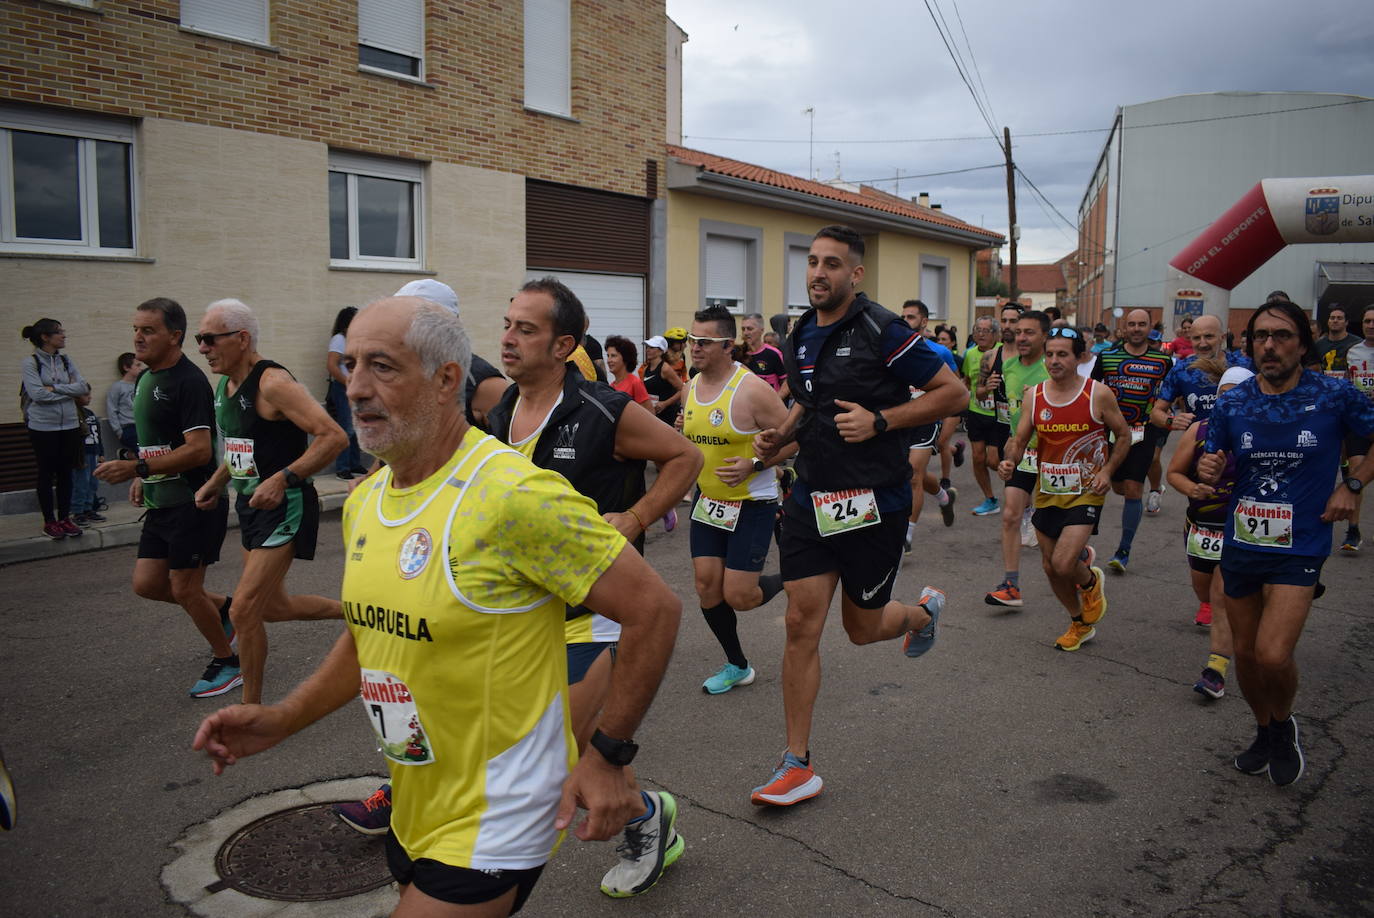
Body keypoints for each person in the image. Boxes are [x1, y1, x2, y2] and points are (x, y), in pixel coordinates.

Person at [194, 295, 682, 916]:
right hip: (416, 797)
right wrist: (285, 716)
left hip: (499, 810)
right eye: (350, 367)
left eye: (384, 367)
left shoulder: (512, 495)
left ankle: (645, 815)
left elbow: (654, 609)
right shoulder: (369, 498)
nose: (358, 389)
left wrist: (610, 756)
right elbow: (373, 636)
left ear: (447, 378)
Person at [488, 278, 700, 897]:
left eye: (525, 329)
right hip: (526, 614)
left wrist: (635, 517)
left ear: (563, 346)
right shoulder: (503, 409)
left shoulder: (602, 409)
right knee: (524, 750)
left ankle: (636, 824)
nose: (508, 338)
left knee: (555, 761)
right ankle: (646, 813)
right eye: (507, 324)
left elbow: (685, 458)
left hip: (597, 614)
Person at [749, 225, 963, 806]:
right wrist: (781, 439)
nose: (818, 273)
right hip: (812, 498)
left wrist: (883, 421)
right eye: (813, 262)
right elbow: (808, 401)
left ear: (855, 274)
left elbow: (953, 393)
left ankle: (922, 615)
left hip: (874, 502)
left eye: (832, 264)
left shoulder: (882, 329)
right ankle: (797, 763)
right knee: (801, 623)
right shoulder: (799, 333)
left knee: (862, 629)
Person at [1199, 299, 1374, 786]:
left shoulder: (1334, 395)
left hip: (1301, 543)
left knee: (1274, 654)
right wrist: (1209, 467)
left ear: (1303, 341)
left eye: (1281, 336)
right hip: (1243, 539)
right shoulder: (1234, 401)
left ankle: (1283, 721)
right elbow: (1214, 458)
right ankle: (1266, 730)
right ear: (1249, 343)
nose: (1269, 346)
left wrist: (1352, 485)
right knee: (1249, 656)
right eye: (1260, 337)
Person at [192, 298, 348, 705]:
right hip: (252, 507)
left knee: (243, 610)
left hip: (287, 504)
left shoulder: (273, 383)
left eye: (209, 339)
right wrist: (215, 482)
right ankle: (358, 615)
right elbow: (242, 449)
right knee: (273, 608)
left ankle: (251, 708)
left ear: (241, 339)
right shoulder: (225, 387)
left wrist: (284, 478)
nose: (203, 348)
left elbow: (333, 436)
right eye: (199, 339)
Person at [94, 298, 237, 697]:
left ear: (174, 336)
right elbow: (156, 443)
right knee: (147, 584)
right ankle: (225, 609)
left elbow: (199, 450)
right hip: (162, 500)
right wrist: (145, 474)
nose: (138, 337)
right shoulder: (145, 379)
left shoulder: (188, 381)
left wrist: (137, 470)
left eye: (149, 330)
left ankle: (227, 662)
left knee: (185, 588)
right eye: (135, 329)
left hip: (196, 500)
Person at [681, 305, 792, 694]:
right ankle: (737, 665)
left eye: (705, 341)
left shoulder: (752, 390)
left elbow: (796, 438)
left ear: (729, 345)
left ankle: (793, 578)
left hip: (751, 502)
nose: (695, 347)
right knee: (707, 587)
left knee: (740, 596)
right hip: (708, 503)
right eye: (693, 339)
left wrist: (756, 462)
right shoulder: (690, 386)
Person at [1001, 326, 1129, 650]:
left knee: (1061, 563)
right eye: (1050, 354)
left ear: (1078, 357)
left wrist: (1108, 470)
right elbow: (1019, 440)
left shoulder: (1097, 394)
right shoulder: (1036, 395)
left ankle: (1089, 580)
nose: (1054, 361)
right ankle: (1080, 622)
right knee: (1049, 566)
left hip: (1087, 488)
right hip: (1048, 489)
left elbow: (1124, 436)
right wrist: (1010, 461)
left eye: (1062, 354)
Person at [1167, 363, 1249, 699]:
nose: (1231, 404)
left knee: (1221, 596)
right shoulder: (1200, 430)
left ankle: (1216, 669)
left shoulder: (1263, 432)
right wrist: (1193, 488)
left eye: (1240, 397)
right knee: (1205, 592)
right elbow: (1174, 473)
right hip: (1202, 526)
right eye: (1225, 397)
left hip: (1241, 528)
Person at [1092, 308, 1173, 571]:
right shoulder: (1107, 356)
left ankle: (1123, 551)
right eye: (1132, 324)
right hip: (1110, 431)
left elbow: (1170, 397)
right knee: (1116, 487)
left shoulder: (1163, 361)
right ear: (1123, 327)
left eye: (1142, 324)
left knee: (1133, 488)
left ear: (1150, 327)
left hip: (1143, 432)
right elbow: (1090, 390)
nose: (1137, 328)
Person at [979, 309, 1050, 608]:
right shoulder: (1007, 367)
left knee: (1051, 530)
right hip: (1022, 451)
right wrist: (1010, 450)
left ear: (1045, 336)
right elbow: (1010, 415)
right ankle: (1011, 585)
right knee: (1010, 515)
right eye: (1019, 331)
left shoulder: (1054, 368)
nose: (1021, 337)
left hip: (1052, 456)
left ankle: (1079, 557)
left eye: (1029, 332)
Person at [20, 318, 90, 539]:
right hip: (42, 426)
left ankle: (65, 518)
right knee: (46, 472)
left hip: (69, 424)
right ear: (45, 337)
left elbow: (83, 387)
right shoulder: (30, 363)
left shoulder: (67, 361)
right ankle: (49, 521)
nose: (64, 335)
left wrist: (55, 388)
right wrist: (68, 390)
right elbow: (37, 394)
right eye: (59, 332)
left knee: (66, 473)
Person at [961, 316, 1004, 516]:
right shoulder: (969, 354)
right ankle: (990, 499)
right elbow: (968, 380)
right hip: (977, 411)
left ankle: (1019, 490)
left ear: (995, 333)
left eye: (985, 330)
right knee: (978, 458)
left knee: (994, 461)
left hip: (998, 414)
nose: (980, 334)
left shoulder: (1005, 351)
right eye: (977, 329)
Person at [1341, 304, 1374, 554]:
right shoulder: (1353, 352)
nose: (1371, 325)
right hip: (1360, 420)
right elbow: (1348, 384)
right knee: (1356, 472)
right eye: (1367, 321)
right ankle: (1353, 530)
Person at [326, 306, 367, 479]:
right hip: (343, 388)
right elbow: (332, 365)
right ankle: (342, 467)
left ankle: (354, 463)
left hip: (355, 388)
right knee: (346, 428)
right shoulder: (338, 339)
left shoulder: (354, 339)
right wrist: (348, 382)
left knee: (357, 426)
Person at [639, 335, 684, 428]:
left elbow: (682, 389)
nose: (648, 350)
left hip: (668, 415)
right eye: (647, 347)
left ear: (660, 351)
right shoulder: (645, 369)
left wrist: (665, 403)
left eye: (651, 347)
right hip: (653, 414)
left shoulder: (665, 369)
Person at [740, 312, 788, 394]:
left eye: (750, 329)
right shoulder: (739, 354)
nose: (745, 333)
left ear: (761, 330)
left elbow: (786, 382)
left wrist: (775, 401)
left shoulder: (773, 354)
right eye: (743, 329)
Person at [106, 352, 142, 454]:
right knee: (143, 453)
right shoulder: (118, 387)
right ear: (126, 367)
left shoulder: (141, 385)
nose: (141, 368)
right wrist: (118, 431)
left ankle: (127, 455)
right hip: (129, 428)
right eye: (137, 365)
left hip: (143, 425)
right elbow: (111, 409)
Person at [604, 335, 651, 406]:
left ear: (625, 358)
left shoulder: (635, 383)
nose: (608, 360)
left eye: (613, 356)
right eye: (608, 356)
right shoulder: (611, 386)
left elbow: (650, 413)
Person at [1314, 305, 1360, 378]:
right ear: (1328, 322)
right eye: (1332, 318)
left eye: (1339, 318)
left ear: (1346, 322)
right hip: (1324, 386)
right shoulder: (1318, 345)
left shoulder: (1357, 344)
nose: (1335, 320)